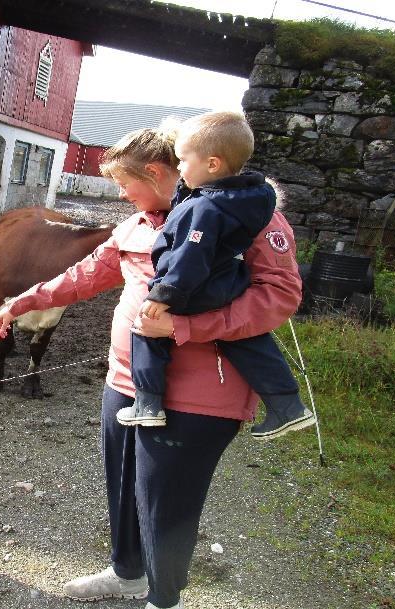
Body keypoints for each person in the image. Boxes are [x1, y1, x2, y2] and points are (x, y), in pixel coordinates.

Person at [0, 124, 303, 609]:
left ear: (156, 172)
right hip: (126, 382)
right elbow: (89, 272)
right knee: (123, 487)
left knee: (167, 505)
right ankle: (127, 572)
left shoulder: (250, 221)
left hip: (202, 396)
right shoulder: (136, 224)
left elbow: (278, 298)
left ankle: (163, 598)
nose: (119, 193)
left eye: (124, 182)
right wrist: (22, 301)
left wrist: (185, 330)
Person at [121, 112, 316, 440]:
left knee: (145, 329)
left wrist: (165, 293)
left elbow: (190, 255)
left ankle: (148, 403)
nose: (179, 168)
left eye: (183, 160)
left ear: (212, 165)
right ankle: (287, 404)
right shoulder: (239, 199)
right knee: (245, 339)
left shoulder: (207, 207)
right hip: (225, 281)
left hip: (196, 284)